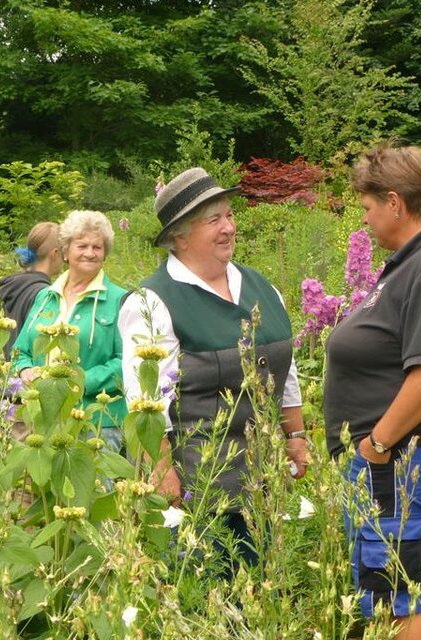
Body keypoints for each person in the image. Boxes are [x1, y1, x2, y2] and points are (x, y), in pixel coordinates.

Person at [118, 167, 308, 564]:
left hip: (264, 481)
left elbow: (284, 374)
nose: (228, 228)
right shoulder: (152, 303)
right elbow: (145, 403)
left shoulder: (263, 288)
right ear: (179, 237)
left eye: (229, 215)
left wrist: (296, 436)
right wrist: (161, 471)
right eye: (213, 220)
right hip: (200, 489)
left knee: (266, 592)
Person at [323, 146, 421, 640]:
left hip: (398, 458)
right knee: (388, 591)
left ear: (395, 202)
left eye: (366, 208)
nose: (364, 221)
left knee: (395, 595)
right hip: (387, 460)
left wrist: (377, 445)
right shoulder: (411, 263)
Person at [12, 210, 128, 447]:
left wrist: (79, 382)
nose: (90, 253)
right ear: (65, 251)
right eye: (82, 245)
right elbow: (19, 351)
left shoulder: (120, 300)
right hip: (42, 417)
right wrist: (25, 371)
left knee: (94, 484)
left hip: (96, 422)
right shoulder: (45, 296)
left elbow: (125, 361)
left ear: (105, 252)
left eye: (97, 247)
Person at [0, 222, 62, 357]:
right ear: (55, 253)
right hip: (29, 373)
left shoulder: (15, 286)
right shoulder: (43, 293)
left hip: (12, 373)